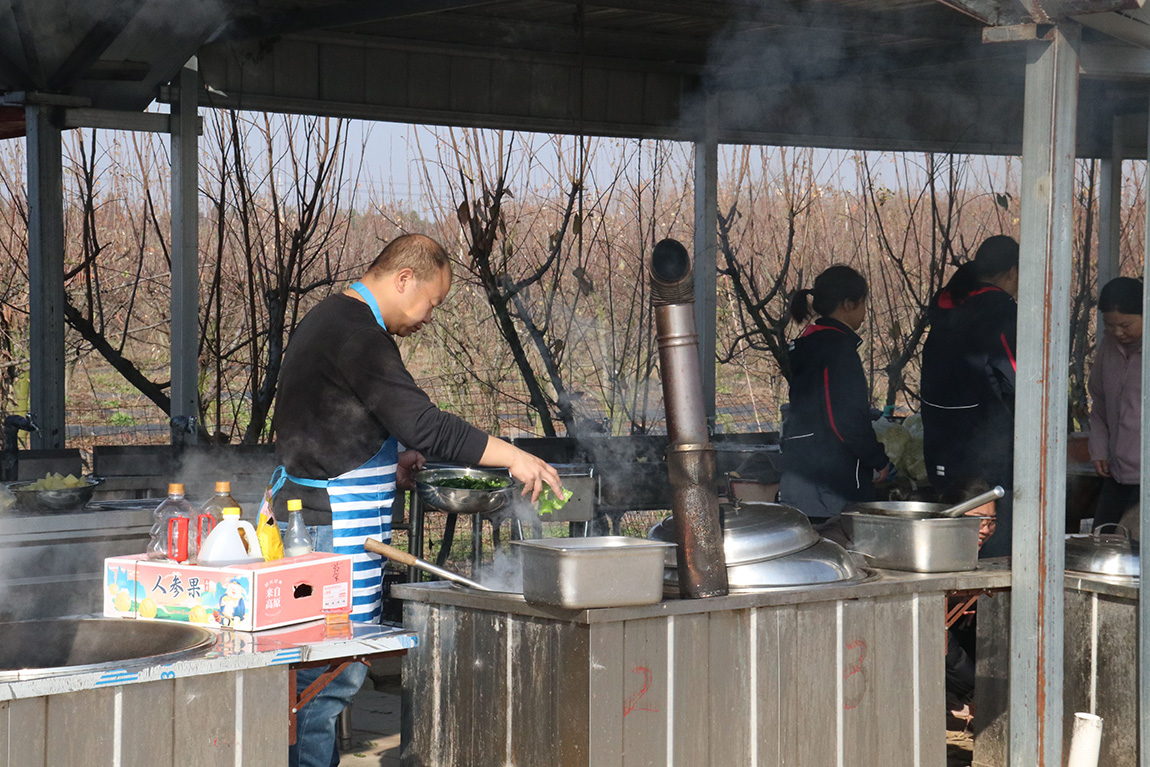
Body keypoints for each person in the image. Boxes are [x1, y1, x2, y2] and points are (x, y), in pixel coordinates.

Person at [268, 233, 563, 767]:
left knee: (320, 676)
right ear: (404, 280)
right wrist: (512, 457)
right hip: (326, 528)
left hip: (310, 519)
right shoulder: (357, 334)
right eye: (433, 301)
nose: (430, 315)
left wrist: (390, 457)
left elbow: (334, 420)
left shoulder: (331, 318)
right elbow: (423, 423)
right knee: (325, 680)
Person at [920, 235, 1019, 558]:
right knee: (989, 536)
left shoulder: (948, 309)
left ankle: (950, 605)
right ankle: (987, 608)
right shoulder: (998, 311)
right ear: (1013, 272)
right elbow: (1018, 378)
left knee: (951, 536)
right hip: (986, 446)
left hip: (940, 443)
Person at [779, 265, 894, 520]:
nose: (865, 312)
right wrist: (877, 459)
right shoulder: (837, 349)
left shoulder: (808, 344)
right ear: (848, 304)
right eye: (864, 303)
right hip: (830, 484)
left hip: (800, 475)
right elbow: (844, 418)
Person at [1088, 277, 1143, 533]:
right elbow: (1099, 402)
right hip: (1116, 473)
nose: (1117, 332)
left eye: (1125, 325)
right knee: (1103, 543)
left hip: (1145, 479)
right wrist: (1098, 447)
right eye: (1109, 325)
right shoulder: (1108, 349)